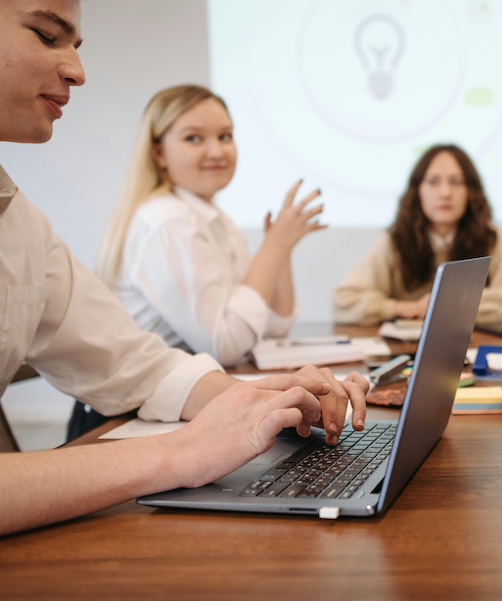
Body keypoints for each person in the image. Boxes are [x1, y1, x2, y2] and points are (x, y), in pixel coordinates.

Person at [0, 0, 367, 537]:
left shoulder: (19, 219)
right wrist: (183, 452)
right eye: (46, 35)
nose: (78, 71)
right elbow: (224, 336)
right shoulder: (164, 220)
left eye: (75, 47)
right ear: (160, 152)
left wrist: (268, 393)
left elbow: (139, 364)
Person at [97, 84, 325, 368]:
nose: (217, 151)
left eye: (225, 136)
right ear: (158, 154)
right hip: (130, 410)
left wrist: (281, 249)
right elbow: (226, 345)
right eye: (194, 138)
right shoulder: (167, 220)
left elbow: (273, 330)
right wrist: (273, 245)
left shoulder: (218, 221)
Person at [332, 144, 502, 326]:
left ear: (470, 192)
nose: (445, 193)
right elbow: (345, 301)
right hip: (406, 350)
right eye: (433, 182)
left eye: (456, 182)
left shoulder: (487, 238)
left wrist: (447, 305)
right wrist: (401, 309)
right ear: (417, 191)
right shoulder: (396, 240)